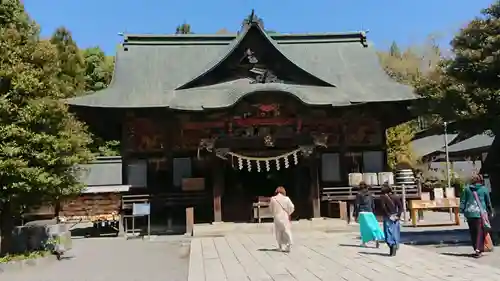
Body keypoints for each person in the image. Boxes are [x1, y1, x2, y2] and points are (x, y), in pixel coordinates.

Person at [460, 174, 493, 258]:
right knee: (480, 232)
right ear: (480, 180)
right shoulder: (484, 189)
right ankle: (478, 249)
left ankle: (476, 248)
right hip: (480, 213)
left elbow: (463, 201)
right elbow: (488, 201)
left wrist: (462, 211)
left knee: (473, 232)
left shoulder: (467, 189)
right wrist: (490, 211)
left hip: (469, 214)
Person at [354, 181, 384, 248]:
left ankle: (364, 242)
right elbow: (373, 204)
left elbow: (357, 205)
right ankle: (376, 239)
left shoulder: (358, 194)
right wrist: (373, 211)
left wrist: (355, 214)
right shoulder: (370, 194)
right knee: (373, 226)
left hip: (362, 212)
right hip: (370, 211)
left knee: (364, 227)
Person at [269, 186, 295, 252]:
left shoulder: (273, 199)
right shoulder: (286, 199)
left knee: (278, 232)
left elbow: (271, 209)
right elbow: (292, 207)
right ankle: (288, 245)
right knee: (286, 230)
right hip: (285, 217)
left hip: (277, 217)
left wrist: (273, 214)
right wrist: (288, 213)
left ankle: (280, 246)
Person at [380, 183, 403, 256]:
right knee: (395, 231)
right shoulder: (396, 196)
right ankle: (396, 244)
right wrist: (398, 215)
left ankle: (391, 245)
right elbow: (400, 207)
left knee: (388, 232)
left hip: (388, 216)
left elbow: (383, 207)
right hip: (395, 215)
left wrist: (388, 215)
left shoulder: (383, 197)